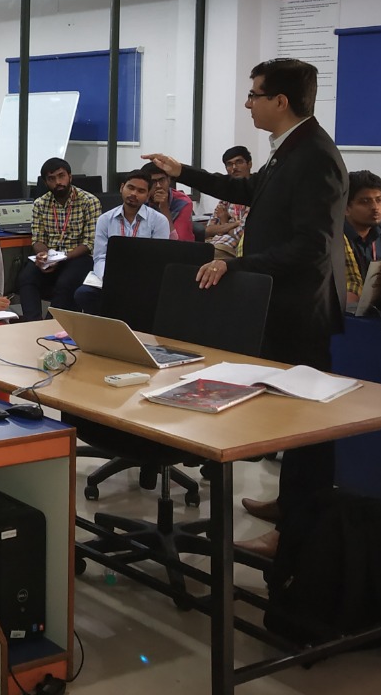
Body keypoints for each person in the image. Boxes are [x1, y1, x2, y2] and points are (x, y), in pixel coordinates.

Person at [143, 57, 347, 559]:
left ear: (280, 100)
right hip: (280, 304)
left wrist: (237, 264)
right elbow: (248, 190)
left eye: (254, 94)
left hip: (300, 311)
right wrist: (183, 171)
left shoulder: (314, 156)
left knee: (306, 423)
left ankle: (295, 533)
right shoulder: (289, 148)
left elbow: (312, 247)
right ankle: (290, 503)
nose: (247, 103)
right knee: (289, 417)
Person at [71, 170, 170, 314]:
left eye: (141, 191)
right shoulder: (105, 219)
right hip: (111, 276)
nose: (134, 194)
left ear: (148, 195)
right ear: (122, 187)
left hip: (143, 278)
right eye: (130, 187)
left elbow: (158, 260)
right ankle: (108, 326)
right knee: (83, 294)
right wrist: (109, 278)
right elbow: (100, 257)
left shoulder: (159, 221)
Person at [16, 157, 100, 322]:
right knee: (26, 277)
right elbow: (38, 239)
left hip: (77, 257)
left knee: (66, 283)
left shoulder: (89, 202)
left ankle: (51, 324)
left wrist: (63, 257)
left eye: (61, 176)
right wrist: (43, 256)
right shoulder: (40, 204)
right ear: (46, 182)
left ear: (70, 176)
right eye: (51, 179)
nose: (58, 182)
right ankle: (32, 323)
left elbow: (89, 243)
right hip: (51, 256)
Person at [342, 170, 381, 305]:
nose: (375, 207)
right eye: (365, 201)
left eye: (379, 200)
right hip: (347, 307)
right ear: (346, 208)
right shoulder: (334, 237)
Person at [205, 146, 253, 258]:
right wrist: (233, 224)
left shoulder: (255, 192)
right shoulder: (227, 195)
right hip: (213, 244)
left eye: (239, 162)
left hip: (234, 250)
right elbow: (208, 230)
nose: (234, 168)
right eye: (229, 164)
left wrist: (223, 222)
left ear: (249, 164)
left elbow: (241, 234)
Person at [141, 162, 195, 241]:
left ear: (169, 180)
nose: (158, 186)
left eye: (162, 180)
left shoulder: (183, 202)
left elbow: (180, 242)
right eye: (153, 182)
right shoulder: (140, 199)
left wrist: (164, 208)